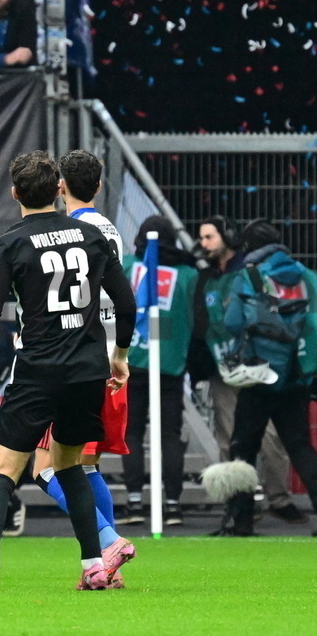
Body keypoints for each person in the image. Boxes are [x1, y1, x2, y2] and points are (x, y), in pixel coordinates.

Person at [0, 151, 136, 591]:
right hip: (86, 370)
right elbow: (126, 302)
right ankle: (94, 565)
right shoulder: (90, 235)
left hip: (38, 368)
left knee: (2, 469)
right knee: (71, 467)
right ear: (57, 189)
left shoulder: (10, 242)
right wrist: (119, 355)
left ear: (15, 192)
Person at [29, 150, 134, 588]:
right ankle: (104, 568)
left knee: (46, 468)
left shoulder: (71, 232)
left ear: (59, 187)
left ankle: (107, 543)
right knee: (87, 468)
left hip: (78, 359)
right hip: (112, 359)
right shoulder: (109, 229)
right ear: (100, 185)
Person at [192, 216, 299, 522]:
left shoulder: (248, 273)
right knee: (228, 437)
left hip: (254, 365)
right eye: (202, 237)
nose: (204, 244)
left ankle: (278, 498)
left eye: (209, 237)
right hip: (222, 368)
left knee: (269, 436)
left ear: (227, 237)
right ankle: (238, 504)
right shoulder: (208, 278)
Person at [216, 219, 317, 536]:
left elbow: (233, 322)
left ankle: (241, 520)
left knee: (242, 447)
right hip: (296, 375)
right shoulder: (305, 275)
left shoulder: (249, 275)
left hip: (259, 374)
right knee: (300, 447)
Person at [120, 216, 197, 526]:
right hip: (170, 363)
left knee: (133, 434)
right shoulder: (189, 275)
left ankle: (135, 502)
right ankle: (173, 504)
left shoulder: (128, 266)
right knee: (169, 435)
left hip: (132, 360)